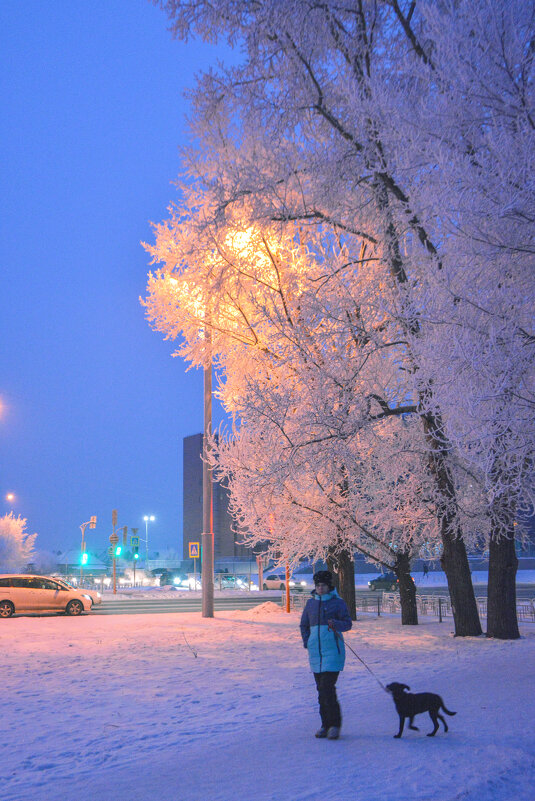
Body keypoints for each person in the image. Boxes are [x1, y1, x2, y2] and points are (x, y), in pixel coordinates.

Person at [300, 569, 352, 740]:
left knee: (326, 688)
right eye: (318, 585)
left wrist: (335, 624)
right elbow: (304, 625)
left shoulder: (338, 603)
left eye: (323, 585)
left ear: (329, 586)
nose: (320, 589)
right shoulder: (311, 604)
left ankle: (334, 725)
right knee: (320, 691)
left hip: (333, 652)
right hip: (316, 653)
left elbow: (347, 624)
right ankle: (325, 724)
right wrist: (308, 641)